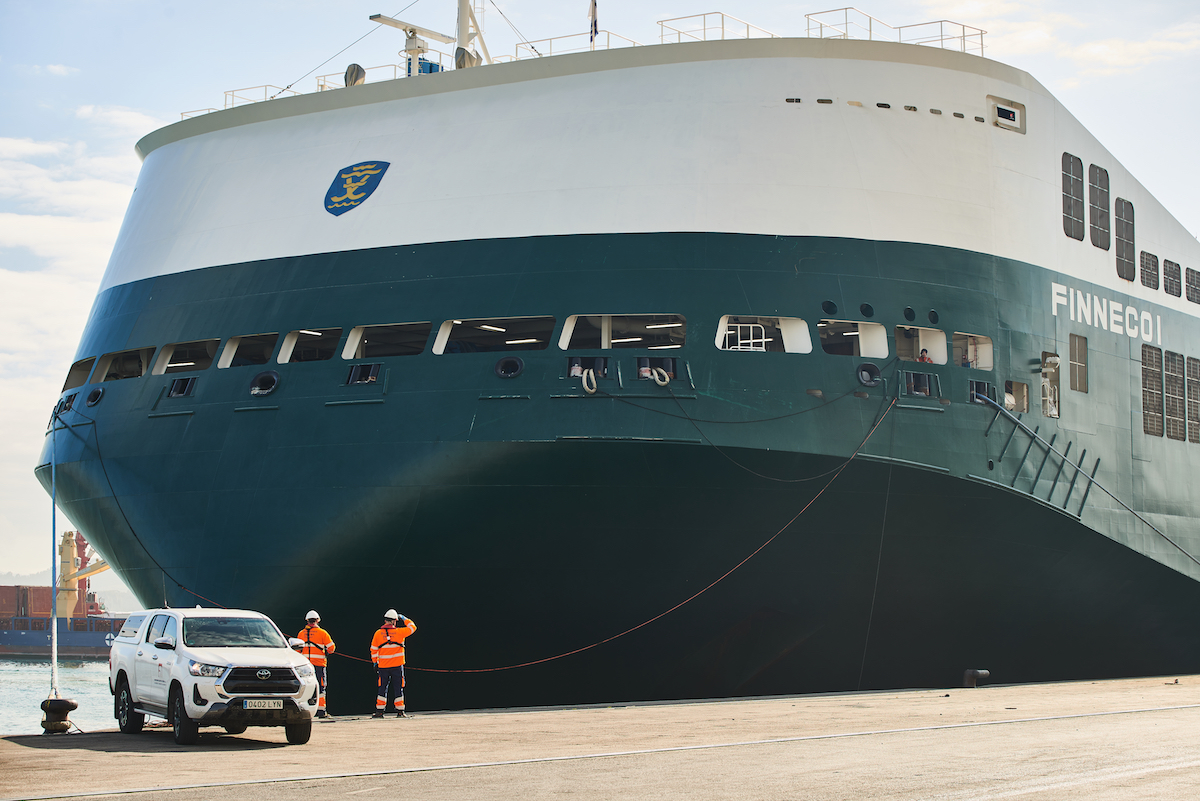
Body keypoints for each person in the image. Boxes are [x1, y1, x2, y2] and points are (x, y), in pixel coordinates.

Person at [371, 609, 417, 718]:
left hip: (383, 666)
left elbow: (373, 649)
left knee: (382, 687)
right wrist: (404, 618)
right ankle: (400, 711)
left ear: (385, 620)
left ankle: (380, 711)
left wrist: (375, 663)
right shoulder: (399, 632)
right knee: (398, 687)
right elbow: (413, 627)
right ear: (394, 621)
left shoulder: (378, 633)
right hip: (397, 666)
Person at [297, 610, 335, 718]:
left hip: (306, 667)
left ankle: (305, 710)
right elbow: (332, 648)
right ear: (317, 620)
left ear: (307, 621)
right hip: (319, 665)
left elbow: (297, 651)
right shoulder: (323, 633)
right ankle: (321, 711)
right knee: (321, 687)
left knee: (306, 687)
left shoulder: (301, 633)